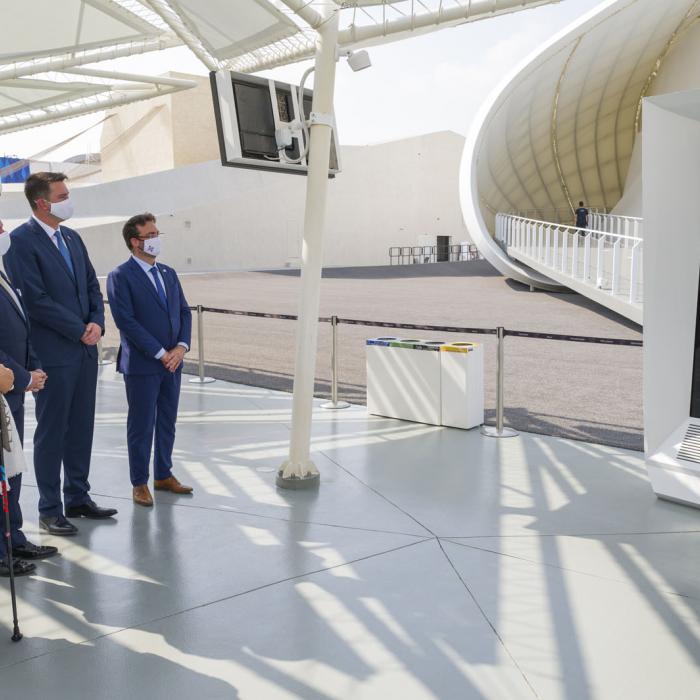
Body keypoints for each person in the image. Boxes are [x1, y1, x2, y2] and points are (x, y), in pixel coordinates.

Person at [3, 173, 117, 535]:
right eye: (63, 195)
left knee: (81, 426)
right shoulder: (22, 241)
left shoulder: (72, 237)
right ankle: (50, 508)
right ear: (42, 202)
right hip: (54, 353)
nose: (70, 199)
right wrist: (78, 329)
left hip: (84, 352)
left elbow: (89, 284)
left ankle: (78, 496)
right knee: (53, 431)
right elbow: (35, 299)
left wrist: (96, 322)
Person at [107, 213, 193, 507]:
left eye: (158, 233)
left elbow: (183, 311)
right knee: (142, 424)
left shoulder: (168, 273)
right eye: (151, 234)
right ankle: (139, 483)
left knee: (167, 421)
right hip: (144, 364)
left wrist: (181, 348)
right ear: (135, 241)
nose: (157, 239)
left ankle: (163, 475)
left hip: (173, 363)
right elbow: (127, 322)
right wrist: (161, 353)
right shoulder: (121, 276)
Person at [0, 220, 57, 575]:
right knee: (1, 473)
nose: (4, 231)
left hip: (13, 391)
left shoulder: (4, 273)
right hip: (5, 386)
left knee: (13, 469)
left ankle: (14, 536)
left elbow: (21, 330)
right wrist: (22, 377)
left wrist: (32, 370)